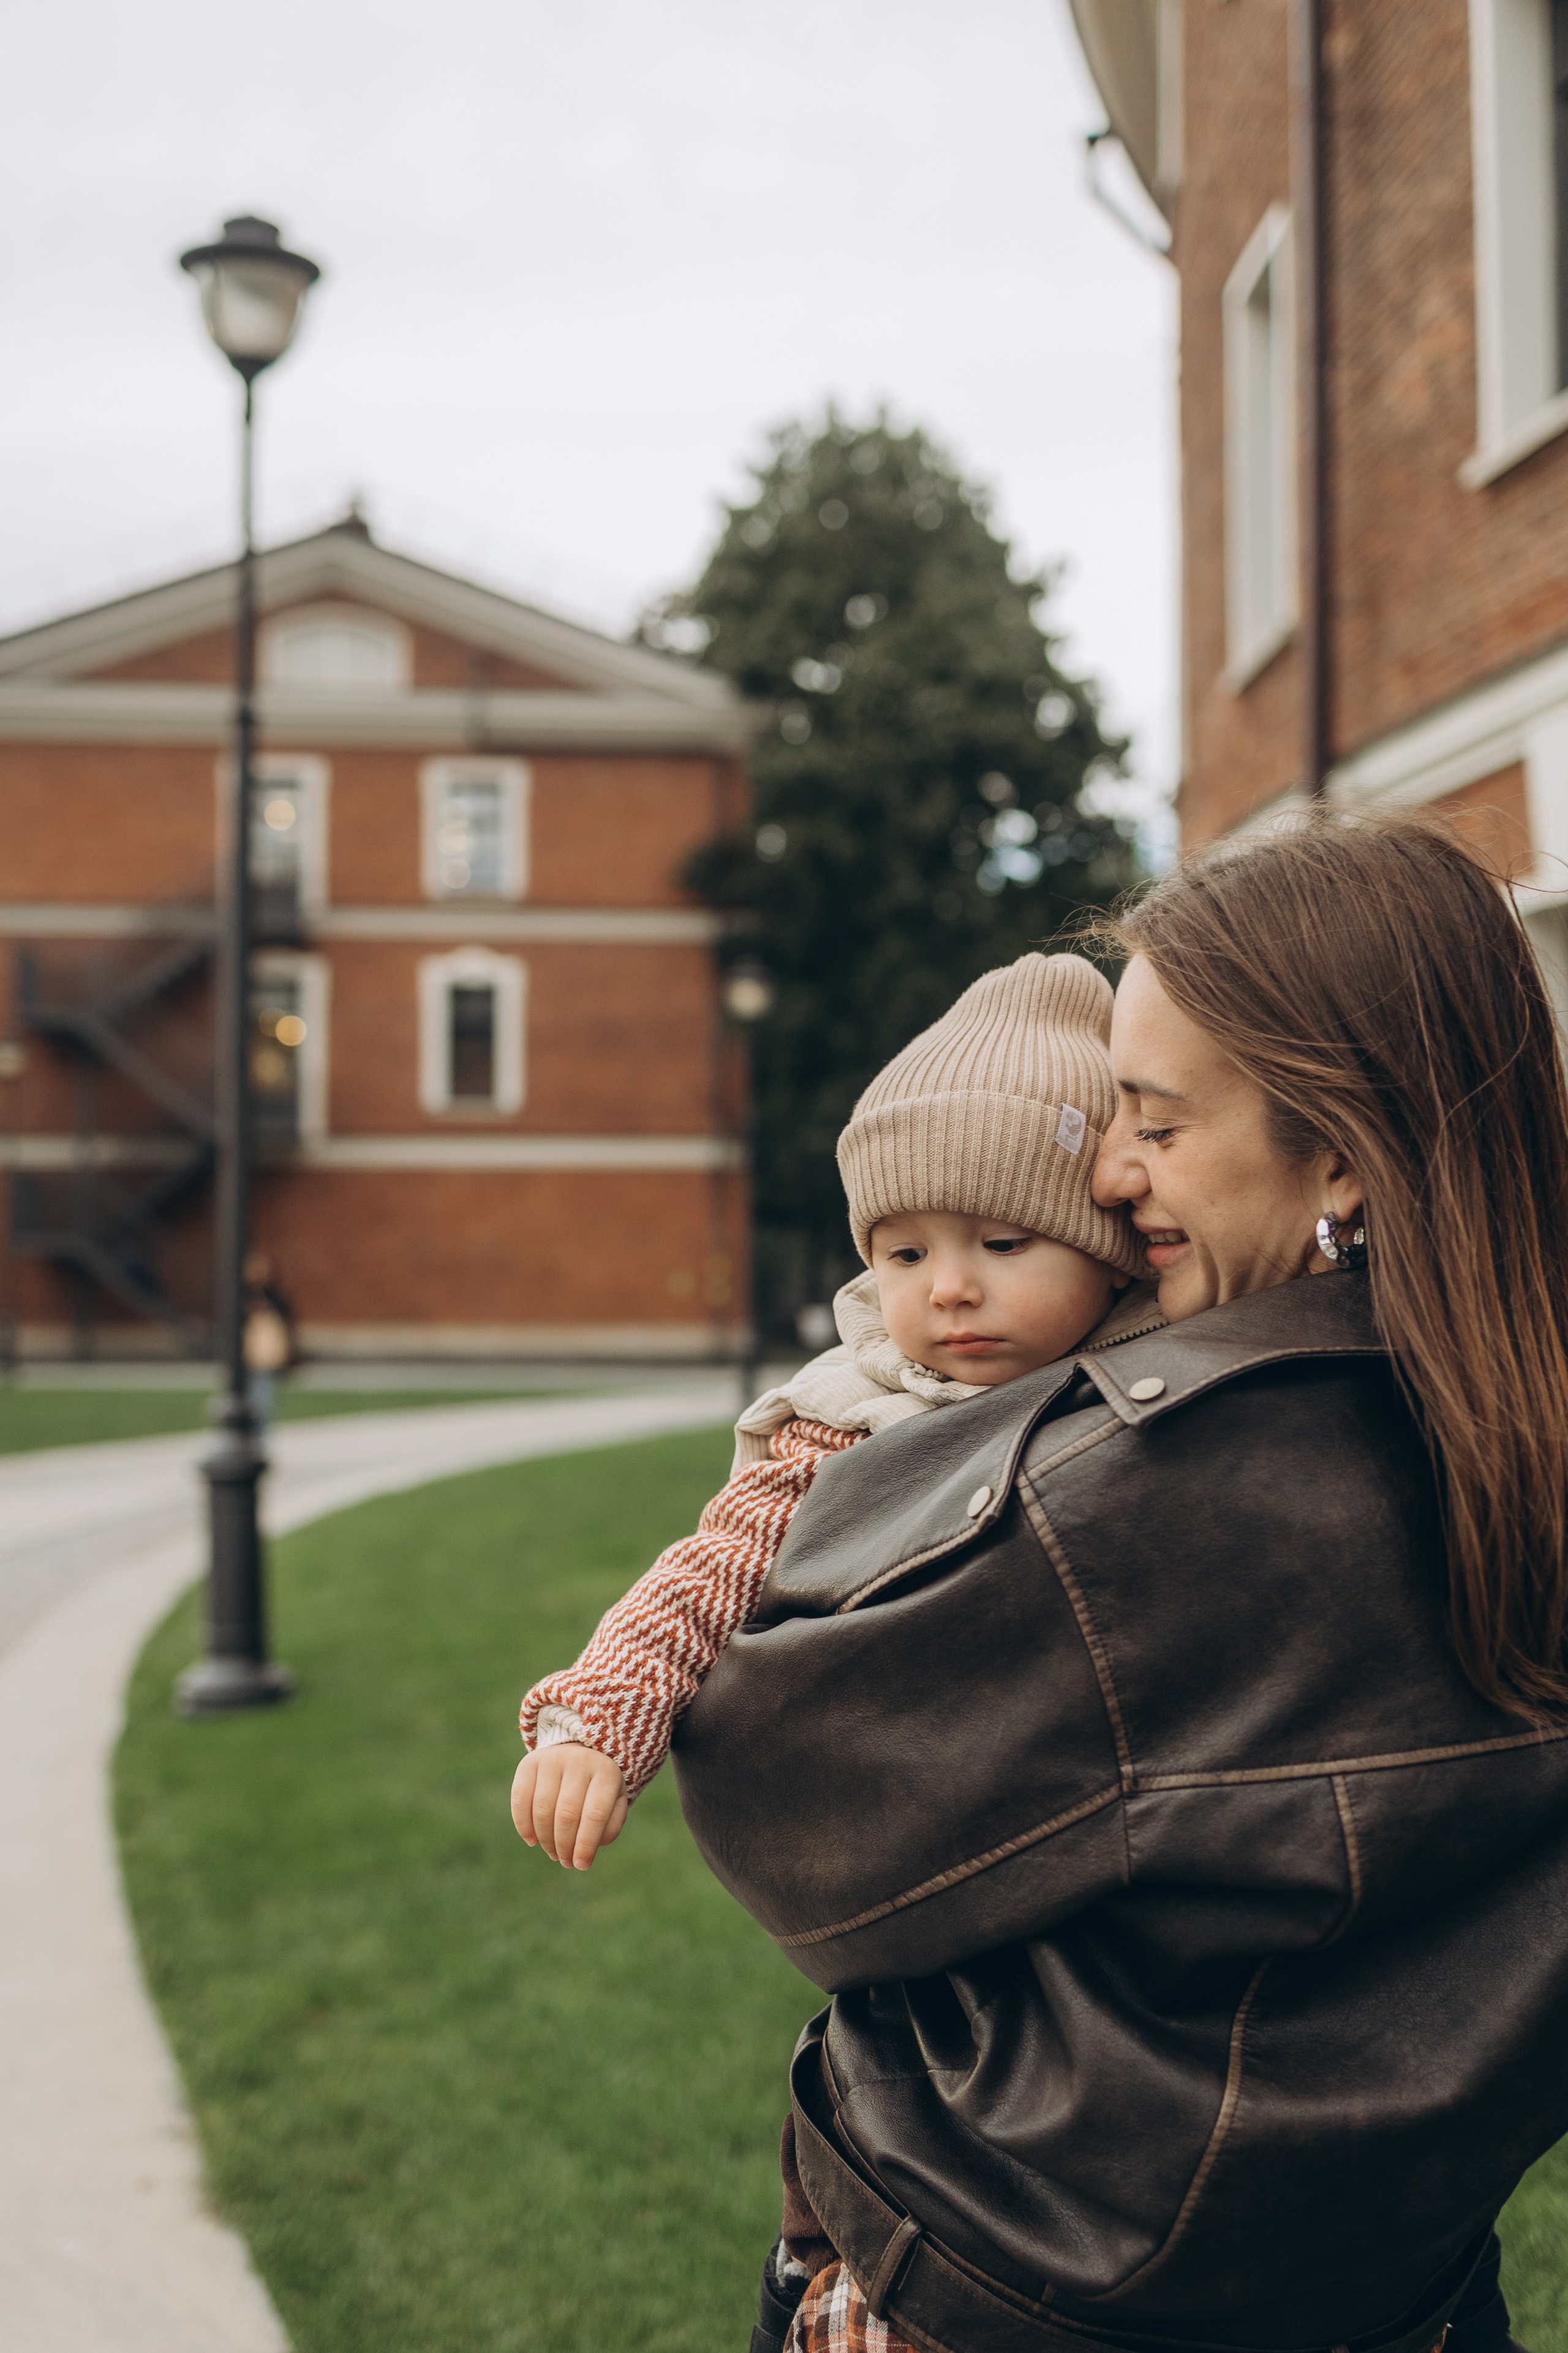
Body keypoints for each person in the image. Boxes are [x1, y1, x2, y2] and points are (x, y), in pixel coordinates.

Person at [673, 817, 1564, 2353]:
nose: (1102, 1169)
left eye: (1152, 1120)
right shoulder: (1518, 1431)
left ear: (1339, 1150)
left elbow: (777, 1804)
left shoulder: (1133, 1488)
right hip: (1401, 2290)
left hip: (1024, 2280)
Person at [511, 951, 1155, 1871]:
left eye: (1006, 1242)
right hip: (927, 1824)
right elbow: (714, 1571)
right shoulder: (852, 1415)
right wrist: (598, 1720)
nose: (950, 1288)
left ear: (1110, 1253)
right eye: (906, 1255)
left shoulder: (1168, 1366)